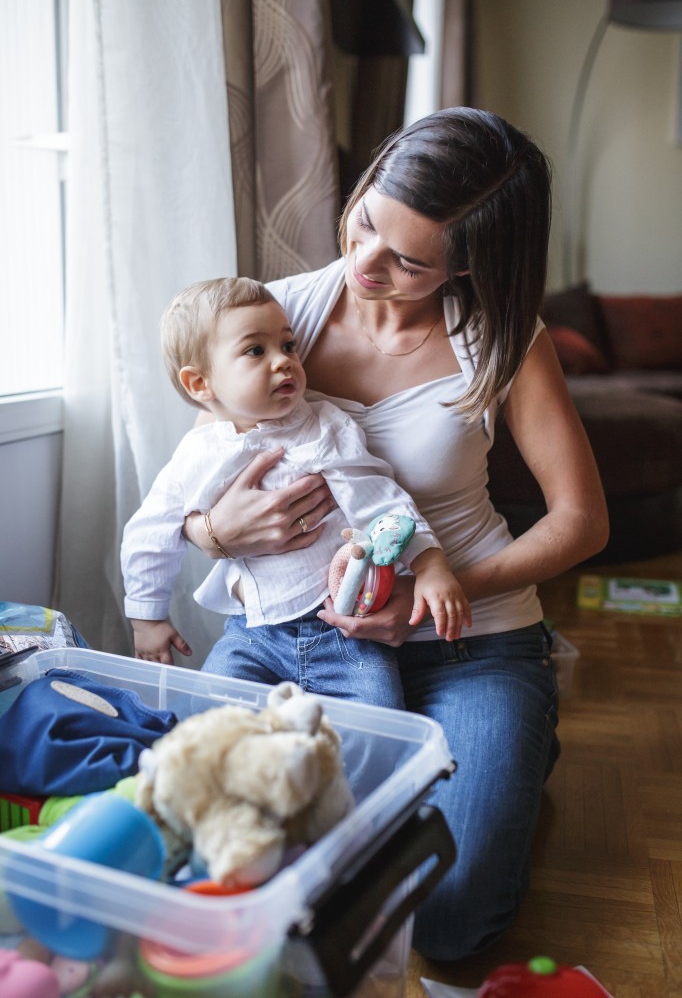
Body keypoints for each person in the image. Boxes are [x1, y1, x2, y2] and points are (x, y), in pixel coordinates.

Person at [184, 108, 609, 962]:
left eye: (408, 260)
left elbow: (581, 522)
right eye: (367, 219)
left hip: (469, 645)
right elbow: (188, 483)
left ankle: (514, 735)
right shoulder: (280, 314)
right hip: (299, 642)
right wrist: (214, 531)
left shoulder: (503, 341)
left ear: (470, 264)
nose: (365, 263)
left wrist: (439, 586)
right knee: (206, 842)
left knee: (446, 921)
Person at [121, 276, 470, 691]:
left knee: (375, 724)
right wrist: (148, 619)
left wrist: (431, 567)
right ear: (201, 384)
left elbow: (384, 505)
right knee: (209, 712)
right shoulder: (194, 456)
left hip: (342, 630)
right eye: (255, 351)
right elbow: (149, 534)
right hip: (251, 635)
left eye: (288, 346)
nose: (283, 360)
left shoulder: (324, 427)